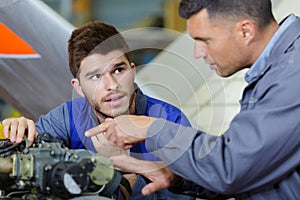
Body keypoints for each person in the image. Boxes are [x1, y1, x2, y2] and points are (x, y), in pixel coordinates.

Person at [84, 0, 300, 199]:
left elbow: (232, 167)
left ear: (245, 31)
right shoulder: (277, 69)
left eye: (204, 40)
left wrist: (151, 129)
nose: (198, 53)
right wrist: (178, 176)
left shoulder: (293, 73)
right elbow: (253, 171)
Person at [2, 21, 194, 200]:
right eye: (95, 77)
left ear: (133, 71)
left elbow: (183, 194)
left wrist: (118, 165)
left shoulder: (170, 122)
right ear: (78, 87)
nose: (111, 85)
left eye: (118, 70)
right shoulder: (65, 119)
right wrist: (17, 134)